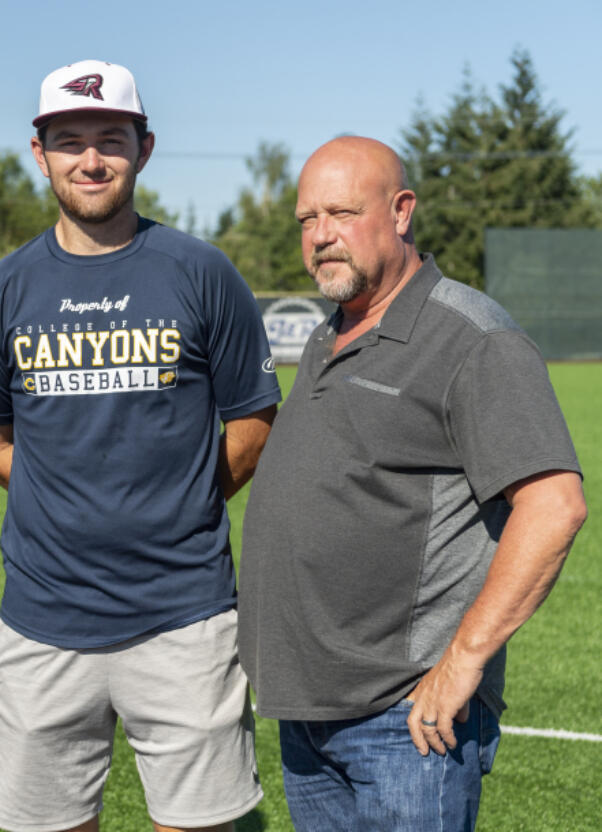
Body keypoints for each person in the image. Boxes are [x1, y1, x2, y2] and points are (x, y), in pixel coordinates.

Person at [0, 59, 280, 832]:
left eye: (110, 139)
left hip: (185, 618)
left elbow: (254, 422)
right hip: (42, 620)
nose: (90, 160)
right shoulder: (1, 290)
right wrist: (47, 494)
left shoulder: (201, 272)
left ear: (145, 147)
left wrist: (185, 499)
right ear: (40, 154)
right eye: (70, 141)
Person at [237, 136, 588, 831]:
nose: (320, 236)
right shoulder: (328, 333)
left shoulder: (470, 337)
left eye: (341, 212)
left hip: (406, 719)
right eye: (307, 219)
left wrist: (462, 664)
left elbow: (554, 505)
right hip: (311, 710)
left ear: (401, 212)